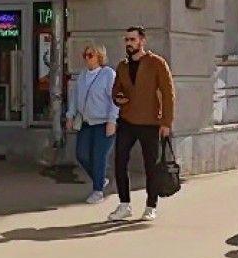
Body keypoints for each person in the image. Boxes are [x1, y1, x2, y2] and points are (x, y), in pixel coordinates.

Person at [108, 26, 175, 222]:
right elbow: (116, 90)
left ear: (142, 41)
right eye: (127, 40)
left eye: (133, 39)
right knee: (120, 161)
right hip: (127, 121)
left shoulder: (157, 63)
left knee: (150, 165)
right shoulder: (122, 66)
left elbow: (168, 94)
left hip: (150, 122)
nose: (129, 43)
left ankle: (151, 206)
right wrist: (118, 98)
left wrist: (166, 122)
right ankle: (124, 205)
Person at [67, 41, 119, 204]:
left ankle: (98, 191)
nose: (87, 58)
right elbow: (74, 97)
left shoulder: (108, 74)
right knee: (81, 155)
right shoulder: (82, 76)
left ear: (99, 57)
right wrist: (70, 115)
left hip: (104, 123)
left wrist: (112, 121)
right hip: (86, 122)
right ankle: (100, 179)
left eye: (90, 55)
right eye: (85, 55)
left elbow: (115, 100)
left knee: (99, 157)